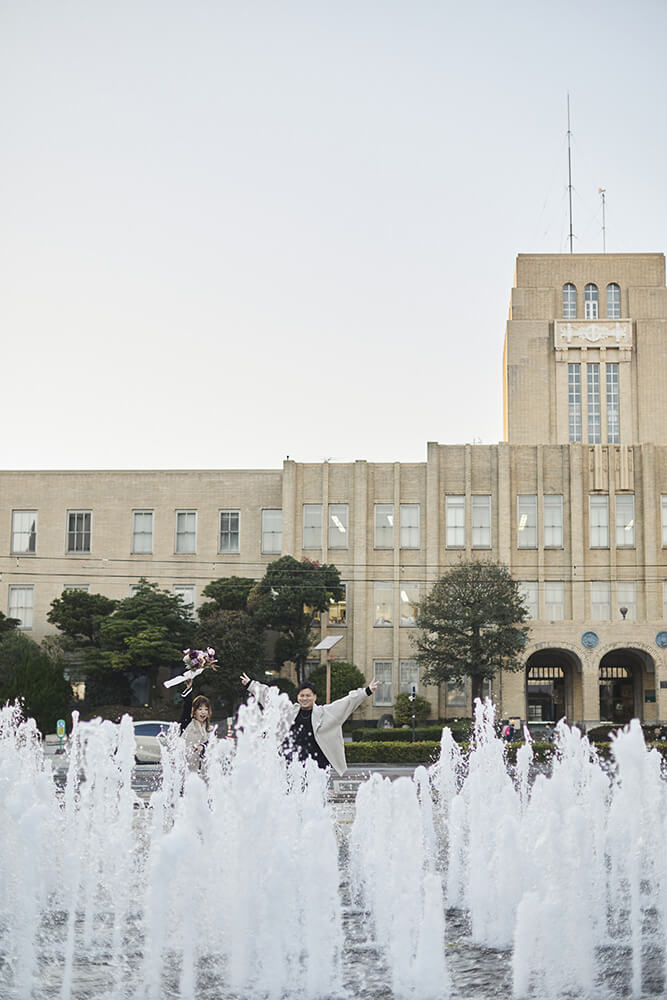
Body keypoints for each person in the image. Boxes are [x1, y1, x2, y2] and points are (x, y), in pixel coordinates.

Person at [240, 672, 378, 776]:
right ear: (297, 697)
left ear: (314, 697)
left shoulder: (326, 713)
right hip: (292, 763)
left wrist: (367, 691)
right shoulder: (289, 711)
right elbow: (270, 697)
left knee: (316, 798)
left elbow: (347, 702)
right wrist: (251, 685)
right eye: (302, 696)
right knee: (293, 797)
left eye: (308, 695)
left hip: (317, 765)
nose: (304, 698)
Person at [179, 681, 214, 769]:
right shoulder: (188, 723)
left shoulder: (210, 728)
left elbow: (212, 744)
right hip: (186, 769)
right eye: (200, 709)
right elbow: (187, 705)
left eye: (206, 709)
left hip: (203, 771)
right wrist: (189, 688)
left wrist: (202, 747)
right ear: (194, 711)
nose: (203, 712)